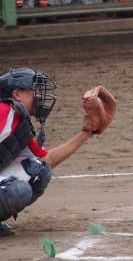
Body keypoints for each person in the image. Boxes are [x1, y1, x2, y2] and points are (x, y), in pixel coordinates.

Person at [0, 68, 94, 237]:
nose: (40, 96)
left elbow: (46, 160)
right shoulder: (3, 112)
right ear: (17, 94)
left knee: (38, 172)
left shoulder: (20, 125)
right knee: (16, 190)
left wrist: (87, 133)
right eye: (35, 90)